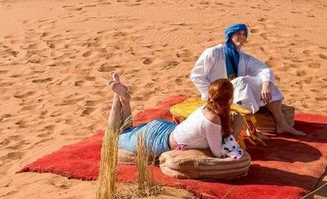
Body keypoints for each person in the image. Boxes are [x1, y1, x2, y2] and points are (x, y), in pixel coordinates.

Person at [190, 23, 304, 136]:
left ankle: (282, 124)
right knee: (243, 81)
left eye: (244, 34)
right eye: (238, 33)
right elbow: (196, 75)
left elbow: (264, 69)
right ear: (230, 36)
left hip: (235, 94)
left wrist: (266, 85)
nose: (242, 37)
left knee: (265, 82)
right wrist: (213, 95)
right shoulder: (213, 53)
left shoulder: (244, 58)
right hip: (215, 97)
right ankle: (251, 128)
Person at [106, 73, 245, 159]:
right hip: (159, 140)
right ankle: (118, 97)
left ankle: (123, 98)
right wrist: (235, 132)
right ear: (228, 100)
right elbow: (217, 153)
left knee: (127, 130)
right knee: (113, 138)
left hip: (164, 129)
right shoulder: (213, 119)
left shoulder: (205, 109)